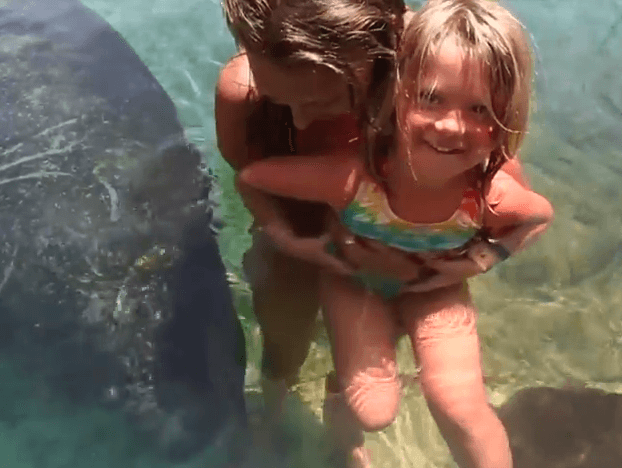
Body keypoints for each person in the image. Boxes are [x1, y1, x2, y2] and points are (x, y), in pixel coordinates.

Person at [236, 0, 554, 467]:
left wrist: (478, 260)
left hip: (434, 287)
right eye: (431, 98)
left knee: (461, 407)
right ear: (396, 94)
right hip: (353, 279)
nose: (452, 125)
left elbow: (538, 217)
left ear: (505, 118)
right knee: (374, 408)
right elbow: (252, 178)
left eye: (480, 108)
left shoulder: (488, 196)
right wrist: (291, 241)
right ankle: (342, 444)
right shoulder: (355, 180)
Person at [216, 0, 411, 432]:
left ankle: (341, 428)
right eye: (279, 99)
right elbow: (248, 178)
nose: (300, 120)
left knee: (368, 365)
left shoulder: (423, 77)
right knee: (283, 334)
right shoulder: (242, 91)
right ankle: (274, 411)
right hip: (295, 229)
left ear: (386, 44)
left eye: (323, 100)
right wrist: (284, 237)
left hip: (381, 239)